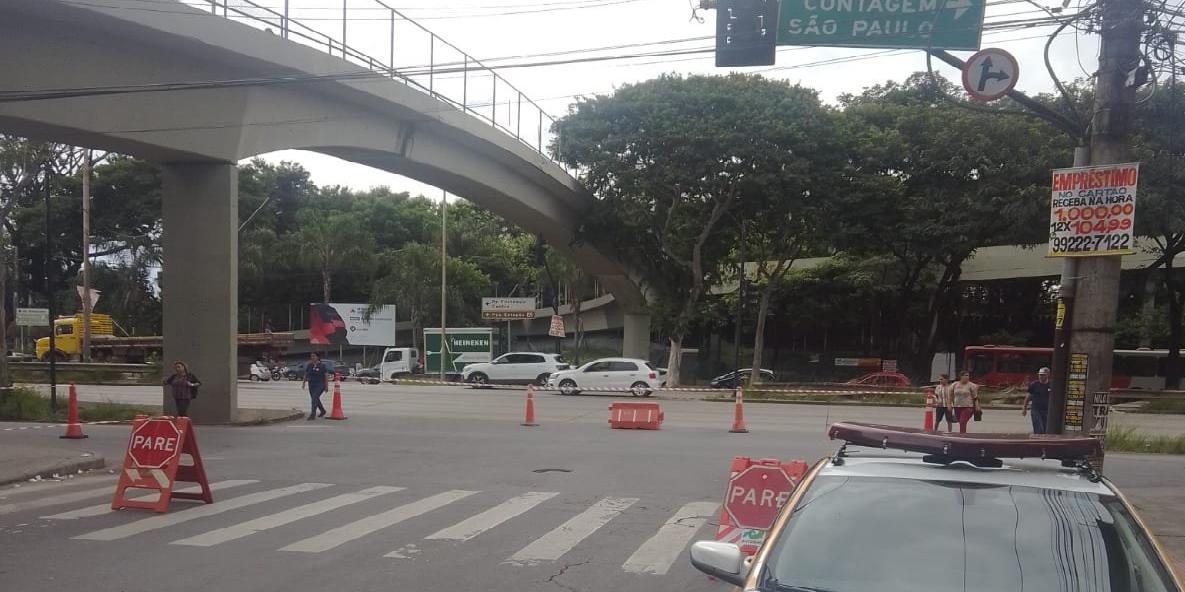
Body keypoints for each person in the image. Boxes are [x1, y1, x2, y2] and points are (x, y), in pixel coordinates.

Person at [301, 352, 330, 420]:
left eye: (314, 356)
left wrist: (326, 386)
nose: (312, 357)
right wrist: (304, 383)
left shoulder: (322, 366)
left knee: (314, 398)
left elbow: (326, 376)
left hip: (320, 384)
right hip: (311, 384)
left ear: (318, 357)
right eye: (311, 356)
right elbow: (306, 374)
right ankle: (322, 410)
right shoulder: (309, 365)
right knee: (315, 399)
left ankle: (312, 414)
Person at [1024, 367, 1052, 434]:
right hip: (1036, 410)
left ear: (1048, 375)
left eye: (1043, 375)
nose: (1041, 376)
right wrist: (1024, 408)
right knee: (1039, 428)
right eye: (1040, 375)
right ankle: (1037, 441)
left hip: (1047, 410)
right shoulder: (1034, 385)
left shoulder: (1051, 385)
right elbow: (1028, 397)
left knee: (1046, 429)